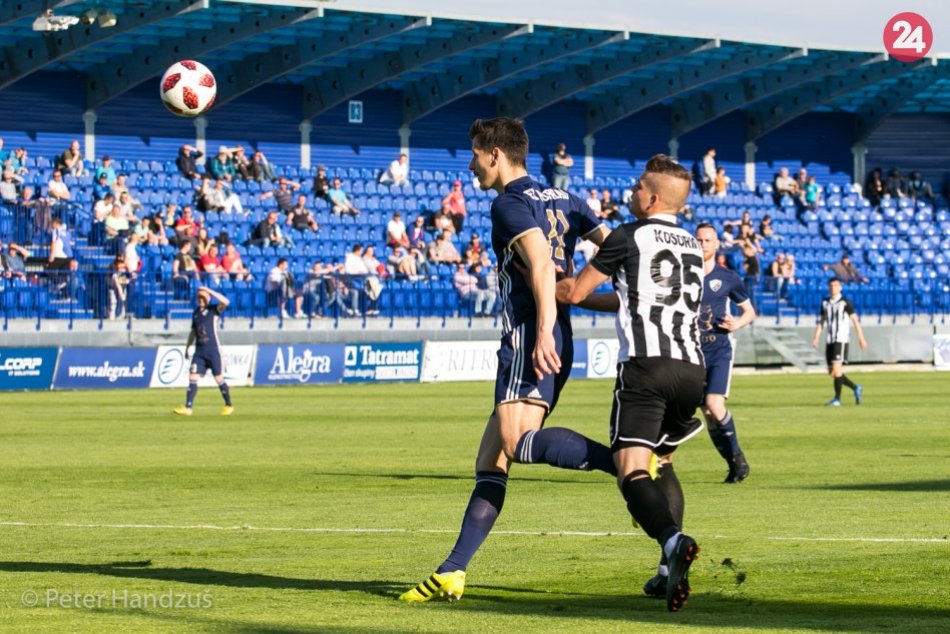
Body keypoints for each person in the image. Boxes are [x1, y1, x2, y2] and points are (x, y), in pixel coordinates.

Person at [400, 117, 610, 604]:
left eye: (474, 153)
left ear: (495, 154)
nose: (471, 163)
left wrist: (539, 330)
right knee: (489, 462)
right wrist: (625, 297)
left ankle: (621, 461)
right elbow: (618, 246)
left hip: (527, 335)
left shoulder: (508, 204)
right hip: (555, 330)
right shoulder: (567, 200)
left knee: (516, 443)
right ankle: (453, 569)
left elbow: (538, 262)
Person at [555, 154, 706, 613]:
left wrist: (536, 270)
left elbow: (573, 291)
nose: (632, 191)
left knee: (631, 470)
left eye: (640, 186)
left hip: (646, 366)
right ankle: (666, 572)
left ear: (654, 196)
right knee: (663, 462)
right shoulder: (692, 244)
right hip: (691, 370)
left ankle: (673, 541)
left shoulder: (628, 234)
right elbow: (629, 295)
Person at [173, 287, 234, 416]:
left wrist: (209, 290)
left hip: (212, 350)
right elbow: (193, 332)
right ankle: (188, 407)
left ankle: (228, 404)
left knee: (218, 378)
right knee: (192, 376)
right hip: (199, 351)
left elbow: (226, 302)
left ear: (208, 298)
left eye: (203, 298)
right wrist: (187, 346)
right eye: (199, 298)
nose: (201, 300)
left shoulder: (213, 310)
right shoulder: (195, 312)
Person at [812, 278, 868, 406]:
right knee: (832, 372)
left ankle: (837, 399)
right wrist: (816, 337)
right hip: (829, 340)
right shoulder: (825, 302)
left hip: (841, 339)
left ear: (840, 287)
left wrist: (861, 338)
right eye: (831, 285)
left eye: (836, 285)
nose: (833, 288)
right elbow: (821, 321)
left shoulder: (845, 303)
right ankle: (855, 387)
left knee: (837, 371)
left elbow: (855, 321)